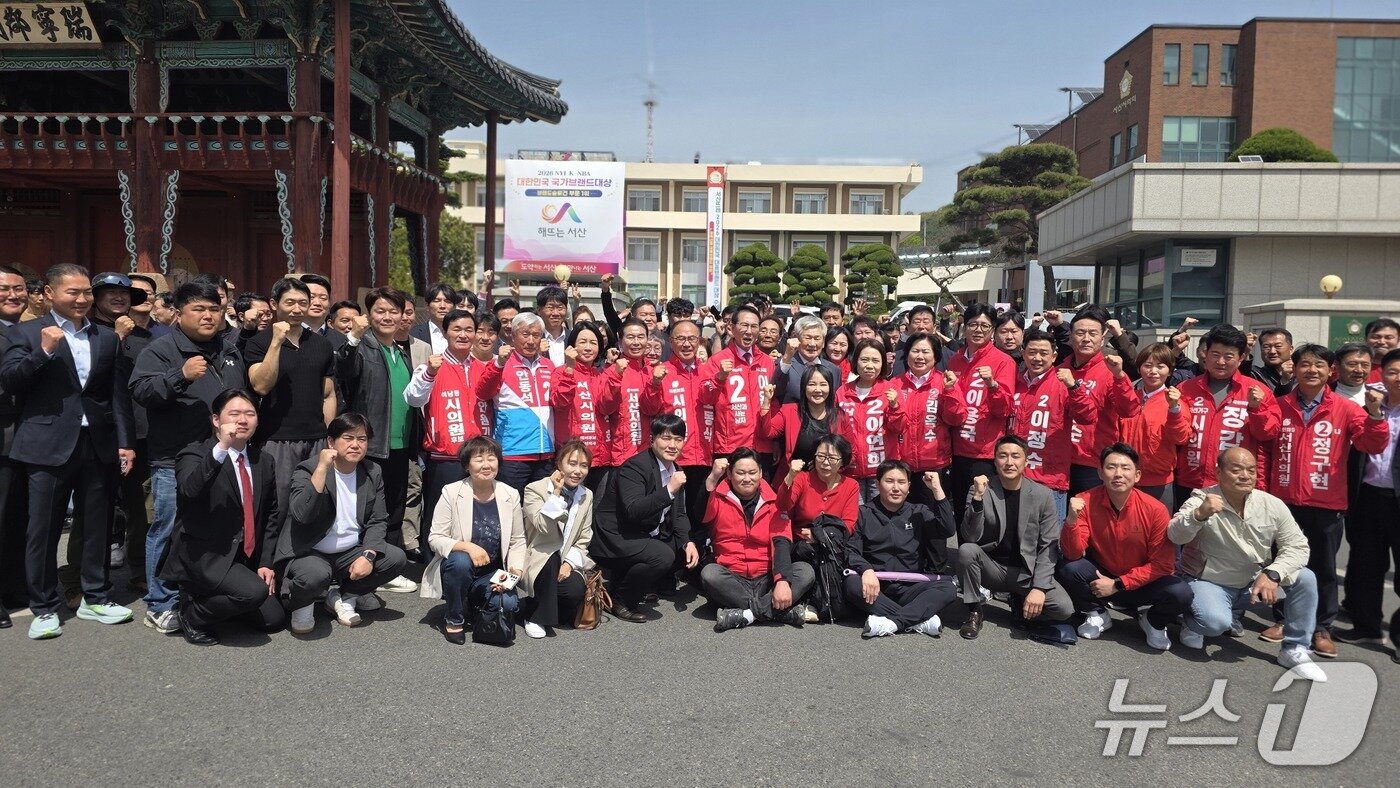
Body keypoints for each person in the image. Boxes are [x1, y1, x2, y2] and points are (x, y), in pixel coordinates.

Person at [0, 264, 136, 639]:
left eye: (86, 292)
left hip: (98, 442)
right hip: (46, 444)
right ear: (49, 293)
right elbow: (10, 380)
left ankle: (96, 596)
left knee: (97, 524)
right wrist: (43, 351)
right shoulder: (26, 333)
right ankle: (44, 606)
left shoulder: (106, 337)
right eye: (72, 292)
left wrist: (125, 442)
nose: (81, 299)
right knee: (42, 529)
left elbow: (115, 394)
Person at [130, 280, 246, 634]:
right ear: (178, 314)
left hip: (223, 454)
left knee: (215, 526)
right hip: (175, 457)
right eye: (199, 309)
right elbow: (140, 391)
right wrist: (179, 376)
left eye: (214, 309)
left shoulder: (228, 349)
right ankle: (160, 603)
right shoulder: (161, 350)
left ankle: (198, 593)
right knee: (168, 529)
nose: (208, 316)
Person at [1264, 343, 1387, 657]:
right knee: (1284, 563)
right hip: (1285, 500)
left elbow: (1371, 444)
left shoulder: (1346, 408)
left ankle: (1321, 628)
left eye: (1319, 365)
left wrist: (1375, 414)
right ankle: (1284, 620)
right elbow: (1263, 437)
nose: (1312, 370)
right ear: (1295, 368)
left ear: (1330, 370)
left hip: (1326, 502)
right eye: (1305, 364)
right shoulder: (1279, 404)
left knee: (1324, 569)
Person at [1169, 448, 1324, 680]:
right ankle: (1191, 621)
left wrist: (1273, 573)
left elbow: (1298, 546)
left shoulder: (1271, 504)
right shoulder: (1202, 500)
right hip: (1209, 582)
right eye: (1236, 470)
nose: (1245, 476)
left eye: (1251, 470)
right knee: (1214, 623)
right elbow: (1175, 535)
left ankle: (1294, 649)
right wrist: (1198, 515)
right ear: (1218, 473)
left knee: (1305, 577)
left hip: (1252, 584)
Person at [159, 390, 285, 645]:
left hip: (243, 557)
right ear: (216, 420)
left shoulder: (263, 460)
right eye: (234, 414)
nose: (243, 420)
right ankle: (192, 614)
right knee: (253, 593)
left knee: (274, 619)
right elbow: (190, 490)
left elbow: (271, 514)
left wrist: (265, 562)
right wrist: (222, 448)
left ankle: (227, 603)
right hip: (206, 556)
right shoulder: (194, 453)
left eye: (250, 414)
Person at [278, 413, 409, 634]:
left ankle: (345, 596)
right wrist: (322, 469)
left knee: (395, 558)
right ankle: (302, 603)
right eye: (348, 438)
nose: (355, 445)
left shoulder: (372, 471)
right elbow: (302, 515)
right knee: (314, 576)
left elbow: (378, 519)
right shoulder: (308, 469)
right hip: (310, 550)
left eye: (362, 439)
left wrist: (368, 555)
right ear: (331, 442)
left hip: (349, 550)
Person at [335, 287, 429, 585]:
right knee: (370, 511)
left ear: (403, 316)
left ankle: (388, 568)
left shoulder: (401, 352)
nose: (387, 317)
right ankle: (361, 570)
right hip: (372, 444)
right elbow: (344, 372)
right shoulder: (363, 347)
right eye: (380, 311)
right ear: (369, 314)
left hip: (400, 444)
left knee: (394, 508)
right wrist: (353, 338)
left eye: (393, 311)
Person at [1057, 443, 1193, 650]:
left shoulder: (1155, 509)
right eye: (1111, 467)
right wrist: (1071, 521)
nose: (1118, 474)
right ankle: (1097, 613)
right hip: (1100, 578)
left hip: (1140, 583)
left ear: (1137, 475)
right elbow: (1072, 553)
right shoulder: (1085, 500)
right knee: (1068, 567)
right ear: (1100, 473)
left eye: (1125, 468)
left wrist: (1119, 584)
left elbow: (1163, 564)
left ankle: (1153, 621)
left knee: (1181, 592)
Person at [244, 278, 337, 544]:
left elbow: (328, 394)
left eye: (303, 303)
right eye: (290, 303)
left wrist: (328, 435)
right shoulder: (258, 343)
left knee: (314, 503)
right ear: (274, 304)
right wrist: (276, 342)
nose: (297, 309)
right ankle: (271, 561)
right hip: (276, 439)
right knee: (278, 506)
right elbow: (261, 385)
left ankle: (306, 559)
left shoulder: (321, 344)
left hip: (315, 438)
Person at [955, 435, 1075, 639]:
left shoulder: (1043, 495)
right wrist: (977, 498)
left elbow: (1049, 546)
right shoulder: (981, 489)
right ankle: (974, 610)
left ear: (1026, 461)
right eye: (1003, 456)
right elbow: (970, 536)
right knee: (967, 551)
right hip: (992, 568)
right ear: (995, 461)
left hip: (1025, 573)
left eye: (1015, 456)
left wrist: (1039, 588)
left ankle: (1019, 601)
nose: (1009, 462)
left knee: (1064, 609)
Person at [590, 414, 699, 622]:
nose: (673, 445)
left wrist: (688, 542)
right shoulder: (635, 467)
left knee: (683, 548)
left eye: (678, 439)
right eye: (666, 438)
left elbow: (679, 513)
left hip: (642, 533)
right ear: (652, 440)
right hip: (614, 537)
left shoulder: (676, 470)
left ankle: (631, 584)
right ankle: (620, 600)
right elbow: (633, 510)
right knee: (662, 555)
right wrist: (669, 489)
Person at [417, 435, 524, 644]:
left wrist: (514, 573)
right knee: (460, 561)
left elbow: (517, 540)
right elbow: (435, 537)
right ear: (467, 465)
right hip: (459, 567)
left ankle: (473, 602)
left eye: (491, 458)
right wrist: (468, 547)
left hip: (492, 571)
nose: (486, 465)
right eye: (479, 459)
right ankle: (454, 618)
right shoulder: (451, 492)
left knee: (509, 604)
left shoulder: (510, 494)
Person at [405, 308, 493, 542]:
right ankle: (433, 561)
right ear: (445, 332)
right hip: (445, 457)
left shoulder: (484, 368)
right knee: (439, 517)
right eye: (457, 329)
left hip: (481, 457)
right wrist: (430, 373)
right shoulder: (432, 366)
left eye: (469, 330)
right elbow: (413, 398)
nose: (463, 335)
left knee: (476, 516)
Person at [844, 460, 959, 638]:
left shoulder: (919, 511)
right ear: (878, 484)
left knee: (948, 588)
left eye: (901, 482)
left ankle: (892, 623)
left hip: (911, 587)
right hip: (876, 587)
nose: (896, 488)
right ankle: (919, 619)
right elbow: (851, 550)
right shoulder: (863, 513)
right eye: (889, 481)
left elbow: (947, 529)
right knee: (852, 584)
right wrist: (866, 570)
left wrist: (937, 490)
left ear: (909, 486)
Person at [703, 449, 814, 631]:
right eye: (740, 473)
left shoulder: (775, 502)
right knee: (709, 574)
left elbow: (781, 542)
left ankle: (746, 615)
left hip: (766, 578)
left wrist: (782, 581)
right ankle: (778, 612)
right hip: (733, 578)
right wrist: (713, 478)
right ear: (729, 474)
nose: (747, 478)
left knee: (805, 571)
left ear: (761, 473)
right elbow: (700, 516)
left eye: (752, 472)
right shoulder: (718, 497)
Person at [1174, 324, 1282, 505]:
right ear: (1205, 354)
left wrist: (1256, 409)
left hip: (1236, 486)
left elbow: (1268, 434)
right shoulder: (1185, 389)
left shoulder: (1258, 391)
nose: (1221, 361)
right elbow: (1176, 435)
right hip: (1190, 482)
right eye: (1215, 354)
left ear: (1241, 358)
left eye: (1228, 356)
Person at [1341, 348, 1400, 655]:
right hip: (1369, 498)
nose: (1398, 378)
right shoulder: (1368, 408)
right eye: (1393, 372)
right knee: (1366, 565)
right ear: (1382, 375)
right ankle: (1367, 627)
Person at [1011, 329, 1095, 519]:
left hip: (1049, 479)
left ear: (1054, 356)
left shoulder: (1063, 383)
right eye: (1032, 352)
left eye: (1043, 353)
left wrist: (1074, 387)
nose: (1037, 358)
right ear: (1023, 353)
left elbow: (1087, 416)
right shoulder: (1016, 381)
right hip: (1016, 477)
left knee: (1050, 535)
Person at [945, 303, 1015, 522]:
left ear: (992, 330)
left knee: (983, 514)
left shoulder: (1004, 361)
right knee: (960, 513)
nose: (978, 330)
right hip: (957, 450)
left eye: (985, 326)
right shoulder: (955, 360)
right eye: (973, 324)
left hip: (984, 453)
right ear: (964, 327)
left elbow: (1003, 410)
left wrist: (993, 385)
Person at [1059, 307, 1141, 495]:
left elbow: (1129, 410)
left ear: (1102, 339)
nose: (1086, 338)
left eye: (1093, 333)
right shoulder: (1061, 370)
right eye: (1080, 333)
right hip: (1060, 459)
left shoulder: (1109, 370)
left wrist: (1119, 376)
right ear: (1070, 336)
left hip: (1092, 462)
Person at [475, 312, 556, 494]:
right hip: (512, 454)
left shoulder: (549, 365)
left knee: (542, 507)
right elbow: (482, 393)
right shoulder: (500, 364)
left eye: (536, 335)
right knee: (509, 507)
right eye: (525, 334)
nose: (531, 340)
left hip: (546, 453)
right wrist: (498, 364)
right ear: (513, 336)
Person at [520, 440, 594, 638]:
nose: (577, 471)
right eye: (572, 464)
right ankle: (535, 617)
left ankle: (531, 606)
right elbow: (543, 527)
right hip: (538, 557)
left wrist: (569, 563)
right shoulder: (535, 489)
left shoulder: (586, 495)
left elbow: (584, 536)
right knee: (551, 558)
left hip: (564, 559)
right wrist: (556, 493)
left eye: (584, 465)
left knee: (574, 590)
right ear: (559, 464)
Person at [646, 319, 716, 523]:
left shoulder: (710, 371)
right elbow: (649, 409)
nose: (686, 344)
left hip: (704, 454)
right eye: (681, 339)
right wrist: (655, 383)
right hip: (672, 457)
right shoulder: (661, 371)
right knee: (671, 516)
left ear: (699, 341)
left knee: (700, 514)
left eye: (692, 338)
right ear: (671, 341)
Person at [890, 333, 965, 509]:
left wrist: (950, 391)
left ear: (936, 356)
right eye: (915, 351)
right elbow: (892, 426)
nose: (920, 356)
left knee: (933, 518)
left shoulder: (945, 381)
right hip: (903, 466)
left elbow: (956, 419)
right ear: (907, 354)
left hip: (935, 465)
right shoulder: (895, 383)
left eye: (925, 352)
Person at [701, 304, 775, 471]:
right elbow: (705, 398)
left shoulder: (767, 362)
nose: (749, 331)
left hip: (762, 445)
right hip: (730, 445)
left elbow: (774, 402)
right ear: (731, 328)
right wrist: (720, 377)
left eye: (754, 326)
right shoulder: (717, 361)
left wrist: (774, 441)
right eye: (744, 325)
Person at [1117, 343, 1191, 505]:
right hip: (1124, 476)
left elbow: (1181, 438)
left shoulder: (1176, 402)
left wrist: (1174, 408)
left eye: (1160, 366)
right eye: (1148, 365)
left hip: (1158, 482)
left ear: (1170, 371)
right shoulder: (1129, 398)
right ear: (1139, 369)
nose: (1153, 371)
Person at [548, 322, 614, 492]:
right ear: (572, 345)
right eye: (582, 342)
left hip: (601, 457)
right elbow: (560, 403)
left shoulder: (601, 374)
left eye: (593, 343)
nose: (588, 347)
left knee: (597, 505)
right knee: (570, 504)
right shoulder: (560, 371)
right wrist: (570, 370)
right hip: (572, 457)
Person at [836, 339, 905, 503]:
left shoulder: (891, 390)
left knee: (881, 514)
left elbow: (900, 428)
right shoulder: (842, 392)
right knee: (856, 514)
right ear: (856, 361)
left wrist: (894, 406)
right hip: (850, 471)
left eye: (875, 360)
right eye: (864, 359)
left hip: (882, 472)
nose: (869, 365)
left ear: (883, 363)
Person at [0, 265, 30, 628]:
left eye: (19, 288)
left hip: (29, 438)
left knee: (19, 517)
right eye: (5, 289)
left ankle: (14, 586)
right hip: (4, 436)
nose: (13, 295)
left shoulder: (27, 330)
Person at [759, 364, 842, 485]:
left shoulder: (840, 416)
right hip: (793, 479)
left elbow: (850, 453)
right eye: (812, 384)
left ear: (830, 388)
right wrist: (766, 401)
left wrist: (826, 465)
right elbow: (769, 431)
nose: (818, 389)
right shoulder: (790, 411)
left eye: (823, 384)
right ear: (804, 387)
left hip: (826, 482)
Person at [776, 434, 861, 550]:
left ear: (842, 461)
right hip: (803, 547)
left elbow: (849, 524)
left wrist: (819, 536)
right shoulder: (802, 479)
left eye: (832, 458)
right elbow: (783, 506)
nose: (825, 462)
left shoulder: (851, 485)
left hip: (834, 548)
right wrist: (790, 476)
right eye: (821, 456)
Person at [775, 315, 840, 405]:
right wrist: (787, 358)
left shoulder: (834, 370)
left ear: (823, 342)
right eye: (808, 338)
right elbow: (776, 392)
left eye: (817, 338)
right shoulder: (784, 365)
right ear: (796, 338)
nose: (812, 344)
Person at [412, 283, 457, 354]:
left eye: (447, 301)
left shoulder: (463, 334)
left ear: (454, 307)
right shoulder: (414, 334)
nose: (442, 306)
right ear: (427, 306)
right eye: (436, 301)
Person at [1252, 328, 1296, 396]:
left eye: (1278, 346)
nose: (1272, 351)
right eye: (1266, 347)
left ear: (1291, 349)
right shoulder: (1255, 374)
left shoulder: (1301, 375)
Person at [536, 285, 570, 366]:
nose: (555, 313)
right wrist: (535, 354)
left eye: (560, 308)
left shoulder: (573, 338)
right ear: (539, 310)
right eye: (550, 308)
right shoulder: (533, 339)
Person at [1364, 318, 1399, 384]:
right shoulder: (1354, 368)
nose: (1381, 342)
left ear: (1398, 340)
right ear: (1366, 339)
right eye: (1375, 337)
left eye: (1388, 337)